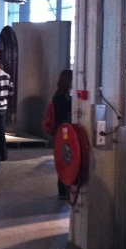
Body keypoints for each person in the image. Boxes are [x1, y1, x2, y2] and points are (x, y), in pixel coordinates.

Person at [49, 69, 72, 198]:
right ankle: (63, 190)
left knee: (64, 158)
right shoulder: (62, 97)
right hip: (63, 132)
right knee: (65, 158)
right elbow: (63, 116)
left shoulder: (60, 95)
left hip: (61, 131)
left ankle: (64, 189)